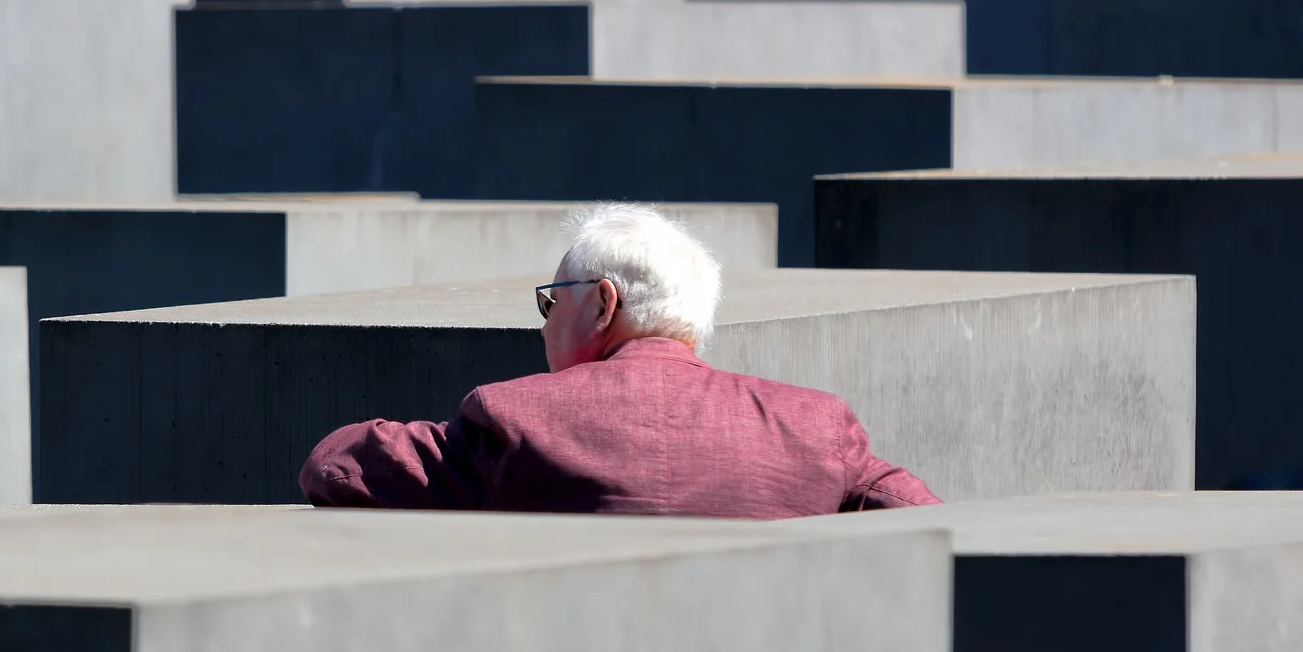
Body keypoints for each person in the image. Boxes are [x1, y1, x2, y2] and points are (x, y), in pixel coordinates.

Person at [298, 203, 939, 517]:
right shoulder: (814, 425)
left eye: (553, 300)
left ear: (604, 304)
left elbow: (335, 465)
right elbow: (926, 519)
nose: (545, 321)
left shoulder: (513, 417)